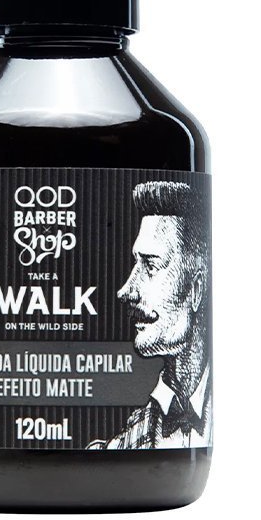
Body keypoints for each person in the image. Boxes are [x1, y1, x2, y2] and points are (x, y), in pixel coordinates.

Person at [90, 180, 211, 449]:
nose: (126, 291)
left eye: (151, 267)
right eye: (137, 264)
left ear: (196, 289)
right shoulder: (124, 445)